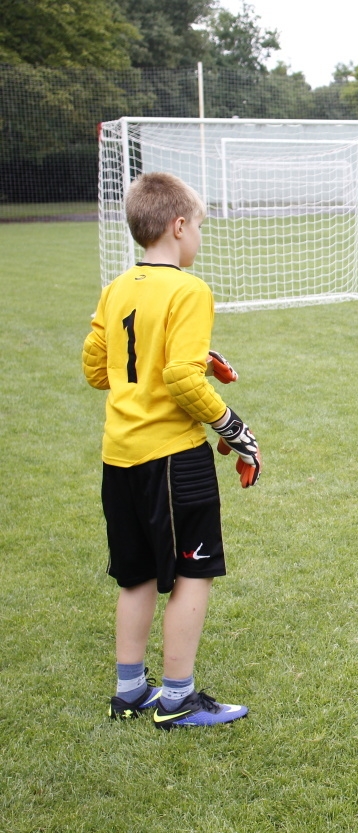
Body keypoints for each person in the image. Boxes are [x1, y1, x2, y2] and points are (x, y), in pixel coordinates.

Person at [82, 172, 261, 728]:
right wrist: (235, 431)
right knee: (193, 572)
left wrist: (195, 358)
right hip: (173, 458)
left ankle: (130, 692)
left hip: (120, 455)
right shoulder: (189, 288)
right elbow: (181, 381)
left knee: (134, 574)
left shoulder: (117, 288)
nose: (199, 238)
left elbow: (97, 368)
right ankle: (177, 700)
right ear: (179, 226)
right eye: (199, 227)